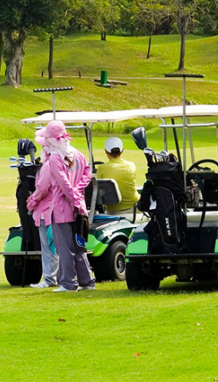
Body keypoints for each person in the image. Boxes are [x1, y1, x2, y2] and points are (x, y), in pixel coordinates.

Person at [26, 120, 94, 292]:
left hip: (62, 209)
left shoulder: (56, 158)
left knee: (65, 247)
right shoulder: (77, 154)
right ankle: (86, 281)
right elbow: (87, 173)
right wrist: (78, 194)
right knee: (79, 246)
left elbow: (64, 184)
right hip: (79, 209)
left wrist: (74, 197)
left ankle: (69, 283)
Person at [27, 142, 59, 289]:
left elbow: (42, 188)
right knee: (58, 246)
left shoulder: (48, 165)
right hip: (59, 210)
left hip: (47, 211)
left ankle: (50, 278)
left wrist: (32, 201)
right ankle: (58, 276)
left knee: (49, 246)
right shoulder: (63, 161)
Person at [96, 137, 140, 214]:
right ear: (122, 150)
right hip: (134, 207)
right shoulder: (131, 165)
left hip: (113, 210)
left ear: (106, 151)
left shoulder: (101, 168)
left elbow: (98, 190)